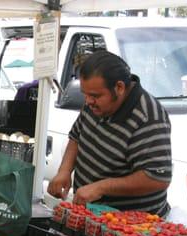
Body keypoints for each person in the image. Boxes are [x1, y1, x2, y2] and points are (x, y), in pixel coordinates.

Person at [48, 51, 172, 217]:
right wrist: (64, 171)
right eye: (85, 94)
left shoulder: (148, 117)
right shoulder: (94, 102)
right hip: (92, 217)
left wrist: (101, 187)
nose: (88, 101)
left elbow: (157, 178)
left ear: (119, 87)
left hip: (132, 227)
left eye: (95, 96)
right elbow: (76, 136)